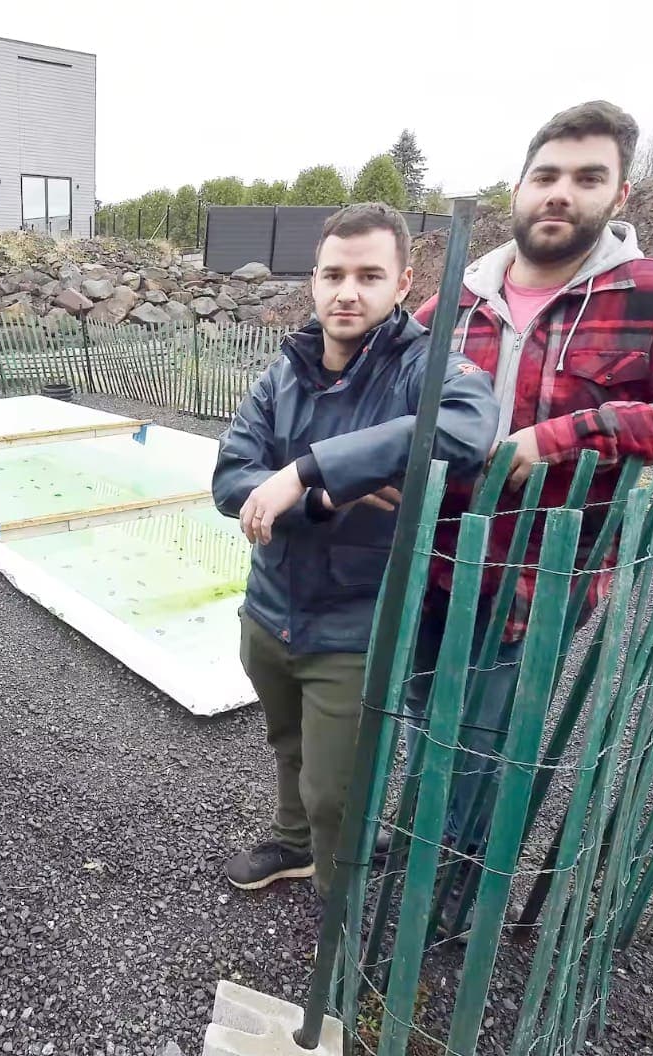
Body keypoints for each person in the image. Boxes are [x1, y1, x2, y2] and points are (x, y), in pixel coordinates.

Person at [407, 101, 653, 859]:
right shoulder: (456, 300)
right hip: (429, 558)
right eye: (545, 176)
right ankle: (419, 828)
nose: (559, 193)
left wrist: (571, 435)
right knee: (418, 703)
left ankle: (453, 864)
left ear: (620, 195)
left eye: (586, 177)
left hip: (539, 576)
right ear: (517, 188)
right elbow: (389, 399)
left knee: (487, 730)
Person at [212, 203, 500, 894]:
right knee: (288, 748)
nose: (348, 291)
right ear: (312, 280)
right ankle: (292, 847)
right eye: (334, 274)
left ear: (402, 283)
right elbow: (231, 477)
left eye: (369, 275)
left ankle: (338, 909)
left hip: (355, 623)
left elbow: (466, 429)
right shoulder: (286, 373)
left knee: (336, 792)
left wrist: (304, 470)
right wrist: (320, 495)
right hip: (271, 606)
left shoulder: (425, 368)